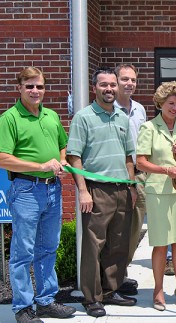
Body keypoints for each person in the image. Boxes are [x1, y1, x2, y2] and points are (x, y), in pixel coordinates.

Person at [0, 67, 76, 323]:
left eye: (39, 86)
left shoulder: (52, 116)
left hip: (52, 189)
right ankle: (23, 307)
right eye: (30, 86)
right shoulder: (10, 118)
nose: (35, 91)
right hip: (26, 190)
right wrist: (41, 166)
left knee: (48, 248)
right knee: (23, 251)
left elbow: (62, 145)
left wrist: (61, 160)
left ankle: (45, 302)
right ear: (19, 88)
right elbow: (3, 158)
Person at [67, 67, 137, 318]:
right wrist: (83, 191)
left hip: (121, 189)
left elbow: (130, 156)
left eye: (112, 85)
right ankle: (91, 297)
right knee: (93, 246)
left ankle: (111, 290)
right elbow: (74, 156)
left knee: (117, 244)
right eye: (103, 85)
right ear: (94, 87)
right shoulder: (83, 117)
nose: (109, 89)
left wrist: (132, 186)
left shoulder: (122, 117)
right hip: (96, 190)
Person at [136, 81, 176, 311]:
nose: (174, 107)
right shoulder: (149, 128)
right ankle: (158, 289)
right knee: (161, 243)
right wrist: (164, 169)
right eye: (170, 103)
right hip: (158, 191)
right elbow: (141, 161)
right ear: (160, 103)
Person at [113, 64, 147, 295]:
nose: (129, 83)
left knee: (134, 228)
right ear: (116, 81)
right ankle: (111, 278)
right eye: (125, 79)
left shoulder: (140, 109)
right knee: (116, 229)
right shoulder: (108, 108)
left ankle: (122, 273)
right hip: (115, 175)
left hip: (139, 174)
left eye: (133, 80)